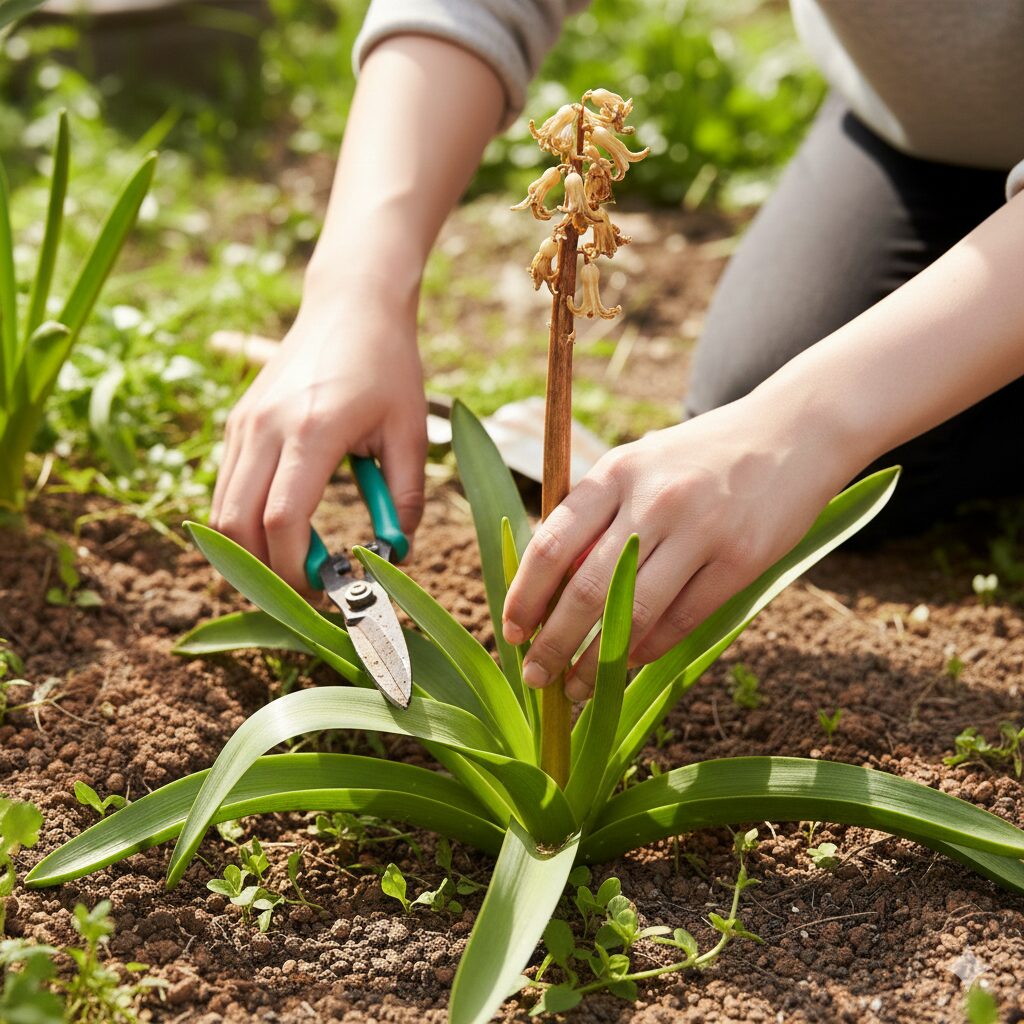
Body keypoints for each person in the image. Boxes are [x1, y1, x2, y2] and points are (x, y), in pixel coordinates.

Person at [210, 1, 1024, 704]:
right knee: (763, 384)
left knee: (805, 434)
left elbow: (806, 427)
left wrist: (806, 426)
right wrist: (355, 293)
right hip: (916, 134)